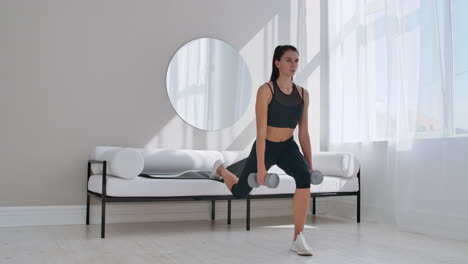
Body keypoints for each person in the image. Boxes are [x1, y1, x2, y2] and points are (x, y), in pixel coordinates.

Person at [211, 45, 314, 256]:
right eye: (288, 60)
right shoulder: (266, 90)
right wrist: (260, 168)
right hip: (266, 146)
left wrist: (310, 165)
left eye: (296, 60)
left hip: (288, 146)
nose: (293, 64)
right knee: (240, 193)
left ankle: (298, 237)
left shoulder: (303, 94)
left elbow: (303, 134)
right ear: (277, 63)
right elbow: (260, 132)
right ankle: (221, 169)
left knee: (304, 176)